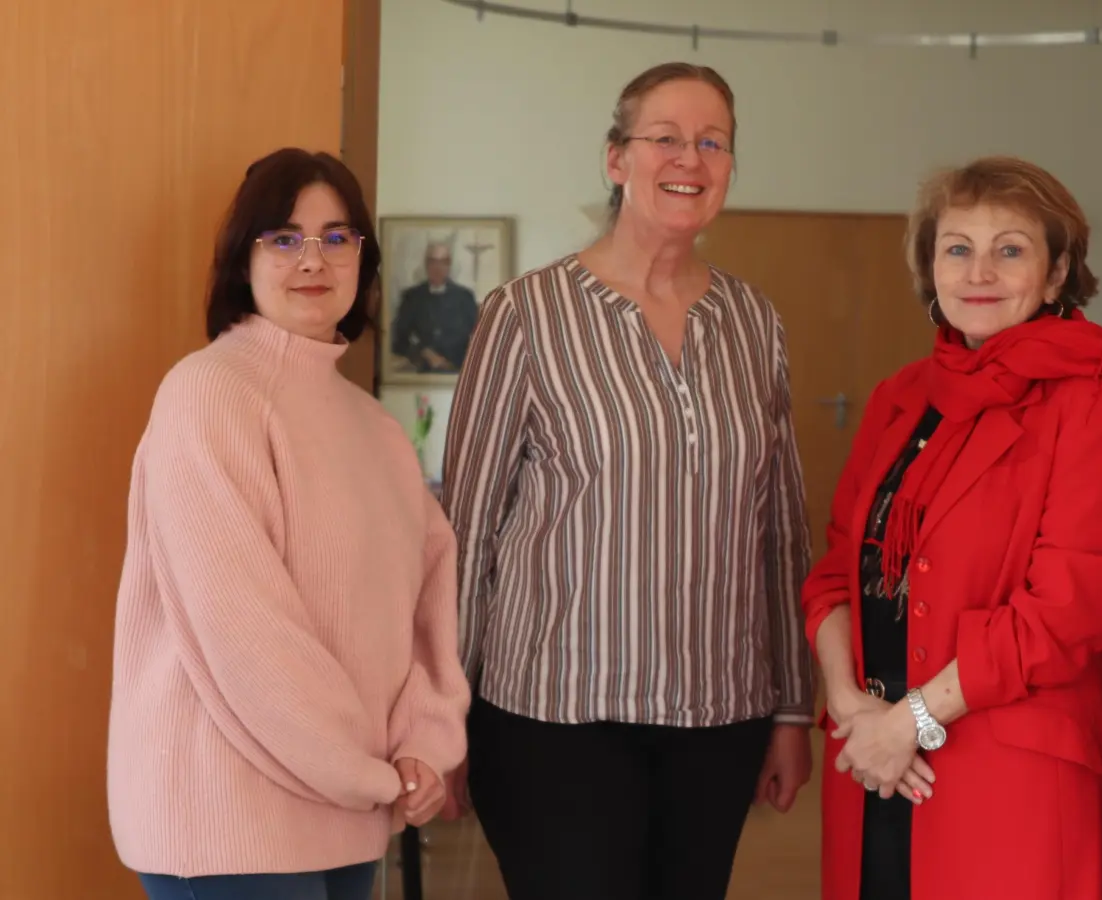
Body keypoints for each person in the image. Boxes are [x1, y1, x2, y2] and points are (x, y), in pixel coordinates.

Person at [440, 62, 813, 900]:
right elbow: (465, 536)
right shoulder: (524, 315)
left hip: (718, 717)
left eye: (712, 142)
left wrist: (793, 709)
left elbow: (782, 530)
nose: (691, 158)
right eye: (667, 138)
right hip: (555, 718)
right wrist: (443, 713)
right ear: (617, 159)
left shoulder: (755, 323)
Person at [106, 148, 472, 900]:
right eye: (284, 236)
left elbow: (428, 610)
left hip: (349, 807)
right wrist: (365, 770)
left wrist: (424, 748)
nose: (314, 259)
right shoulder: (208, 393)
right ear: (244, 259)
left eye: (337, 237)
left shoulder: (376, 430)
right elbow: (243, 630)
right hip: (223, 813)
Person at [802, 156, 1102, 900]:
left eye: (1011, 248)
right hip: (875, 758)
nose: (980, 271)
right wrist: (849, 705)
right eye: (957, 247)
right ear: (929, 266)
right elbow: (839, 568)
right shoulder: (901, 396)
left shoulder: (1097, 391)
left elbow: (1070, 607)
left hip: (1007, 773)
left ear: (1058, 272)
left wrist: (914, 720)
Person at [389, 240, 480, 374]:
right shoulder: (412, 297)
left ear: (449, 265)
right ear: (426, 265)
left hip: (458, 372)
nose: (437, 267)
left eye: (442, 262)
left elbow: (477, 338)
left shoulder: (465, 297)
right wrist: (423, 351)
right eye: (433, 262)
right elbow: (398, 341)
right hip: (422, 372)